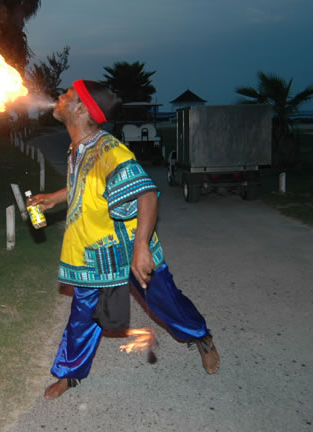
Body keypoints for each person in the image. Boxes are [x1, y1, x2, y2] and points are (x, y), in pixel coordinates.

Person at [29, 80, 220, 400]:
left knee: (167, 304)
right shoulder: (79, 145)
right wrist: (55, 198)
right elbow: (87, 186)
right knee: (83, 315)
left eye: (69, 96)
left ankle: (202, 337)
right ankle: (70, 373)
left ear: (81, 109)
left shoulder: (110, 152)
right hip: (95, 254)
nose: (60, 97)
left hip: (131, 248)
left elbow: (146, 195)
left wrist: (142, 246)